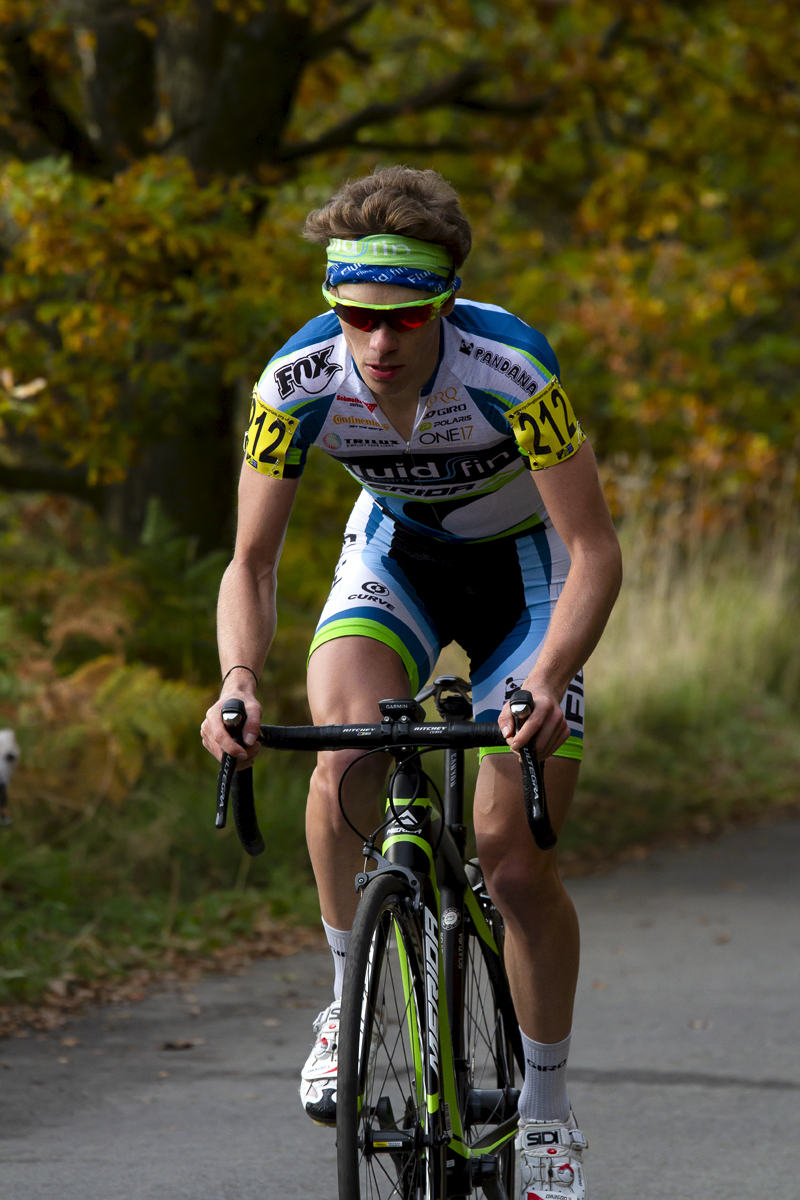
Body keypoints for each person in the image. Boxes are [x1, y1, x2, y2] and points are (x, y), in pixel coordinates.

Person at [201, 165, 622, 1200]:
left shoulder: (508, 365)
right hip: (394, 556)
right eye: (353, 318)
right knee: (340, 749)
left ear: (445, 303)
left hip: (529, 574)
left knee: (508, 858)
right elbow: (251, 564)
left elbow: (594, 549)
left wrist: (547, 677)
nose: (377, 344)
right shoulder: (296, 380)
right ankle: (347, 1001)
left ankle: (547, 1115)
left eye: (405, 319)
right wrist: (239, 683)